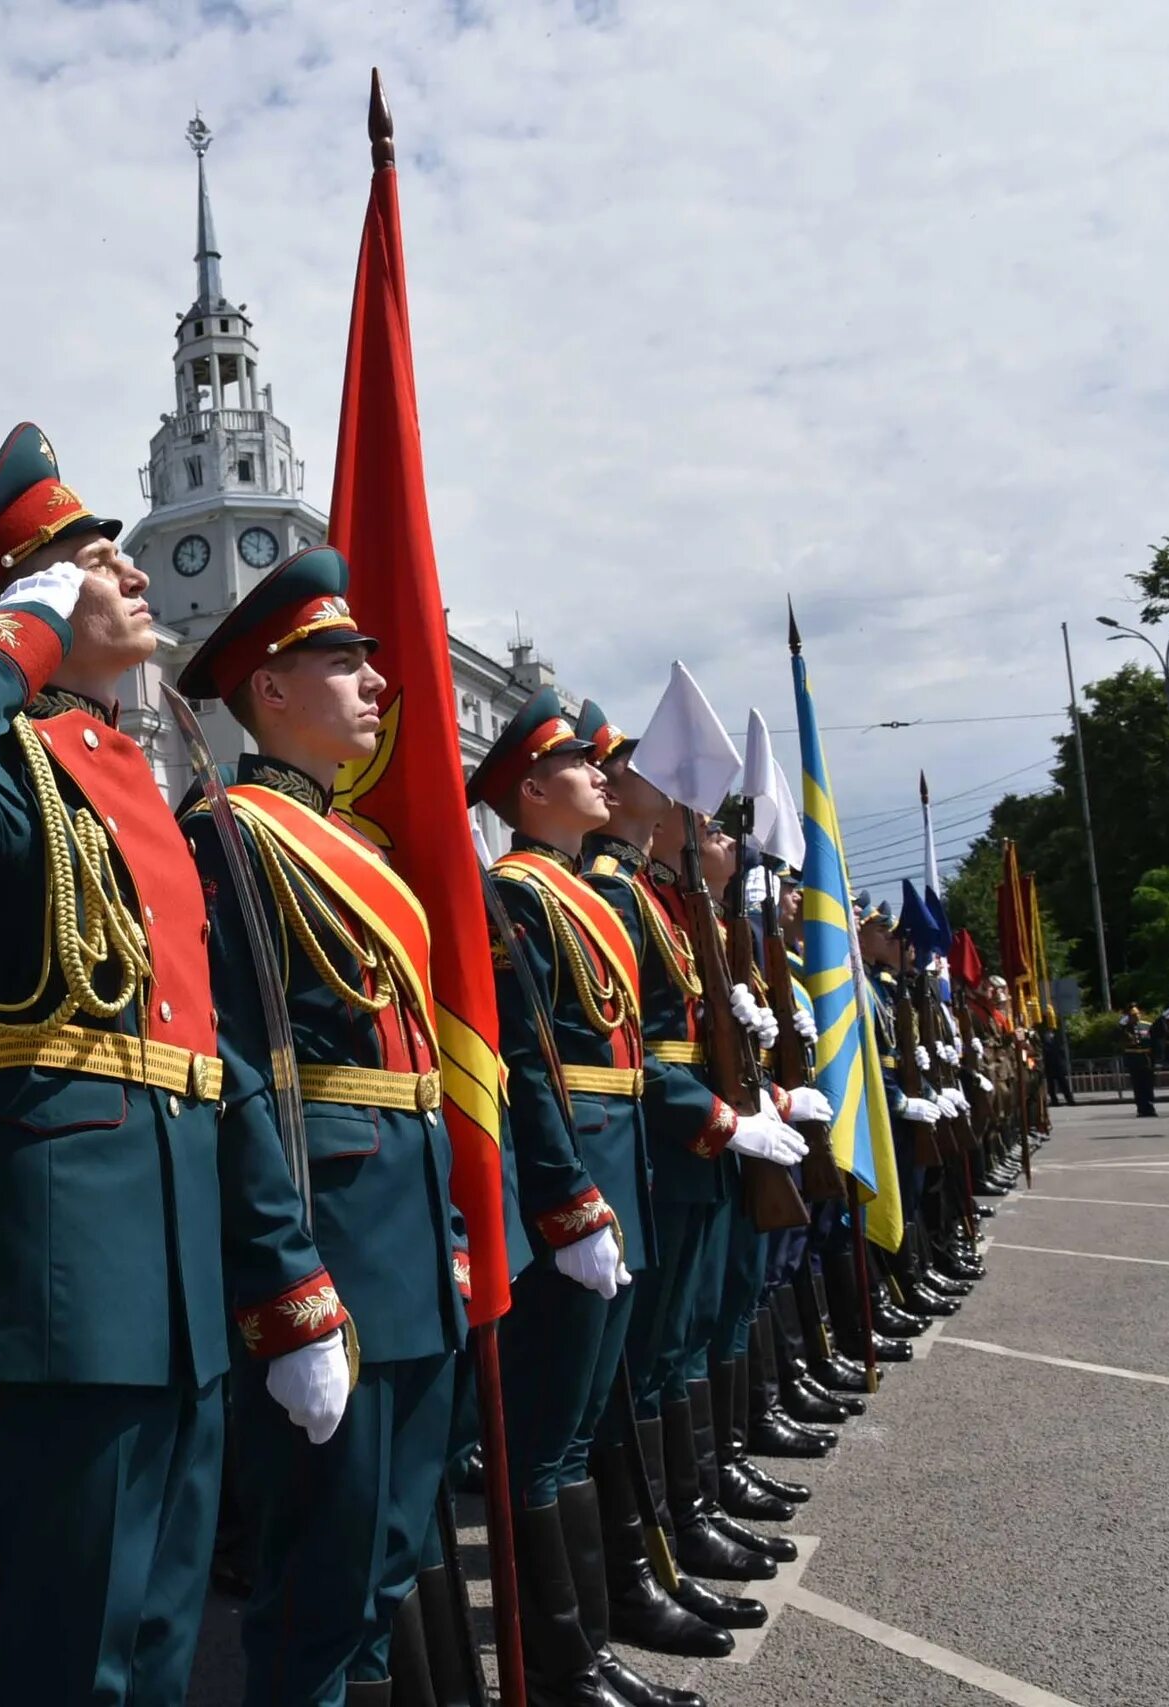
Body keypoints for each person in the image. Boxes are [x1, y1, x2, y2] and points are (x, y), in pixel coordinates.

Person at [0, 424, 339, 1706]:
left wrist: (286, 1286)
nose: (125, 571)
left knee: (155, 1649)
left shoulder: (133, 776)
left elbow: (209, 1058)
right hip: (63, 1282)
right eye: (88, 559)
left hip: (173, 1282)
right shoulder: (8, 764)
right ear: (32, 596)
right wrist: (12, 640)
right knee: (64, 1662)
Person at [175, 547, 468, 1707]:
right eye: (342, 660)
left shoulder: (358, 850)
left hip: (404, 1234)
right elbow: (236, 1072)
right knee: (319, 1583)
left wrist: (445, 1224)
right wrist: (284, 1283)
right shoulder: (228, 836)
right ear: (270, 687)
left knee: (389, 1558)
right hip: (329, 1238)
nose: (376, 682)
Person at [575, 699, 809, 1704]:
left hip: (699, 1141)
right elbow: (629, 1052)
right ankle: (648, 1552)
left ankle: (692, 1508)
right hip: (664, 1150)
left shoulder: (665, 902)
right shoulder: (610, 894)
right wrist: (727, 1114)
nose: (694, 818)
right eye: (677, 801)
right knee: (648, 1360)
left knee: (692, 1337)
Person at [469, 687, 654, 1707]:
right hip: (573, 1170)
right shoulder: (519, 893)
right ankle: (553, 1665)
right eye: (579, 766)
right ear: (531, 789)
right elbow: (529, 1063)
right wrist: (563, 1196)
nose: (601, 776)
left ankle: (586, 1647)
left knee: (581, 1424)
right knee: (545, 1436)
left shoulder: (582, 894)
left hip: (615, 1155)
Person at [1120, 1005, 1156, 1118]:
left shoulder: (1148, 1026)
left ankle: (1150, 1108)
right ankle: (1141, 1109)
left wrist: (1156, 1058)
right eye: (1133, 1015)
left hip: (1146, 1059)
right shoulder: (1124, 1029)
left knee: (1148, 1086)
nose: (1136, 1017)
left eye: (1137, 1014)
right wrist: (1121, 1024)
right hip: (1133, 1060)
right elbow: (1114, 1036)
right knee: (1138, 1087)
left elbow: (1155, 1043)